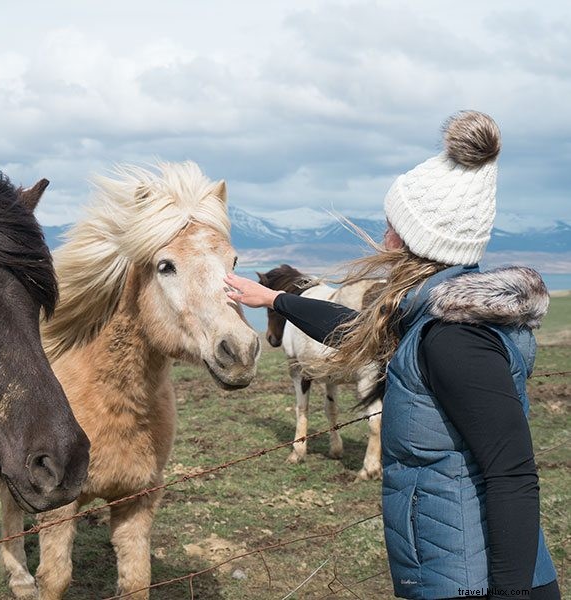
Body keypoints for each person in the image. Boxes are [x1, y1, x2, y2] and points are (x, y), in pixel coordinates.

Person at [224, 111, 561, 600]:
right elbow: (356, 332)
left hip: (474, 582)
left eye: (391, 226)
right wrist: (274, 300)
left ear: (414, 239)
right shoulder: (428, 319)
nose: (383, 237)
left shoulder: (454, 340)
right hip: (453, 567)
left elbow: (512, 473)